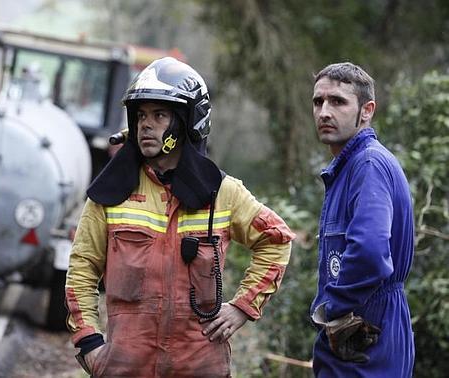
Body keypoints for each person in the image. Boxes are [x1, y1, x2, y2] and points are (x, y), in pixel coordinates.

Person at [65, 57, 295, 377]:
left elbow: (277, 239)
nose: (146, 124)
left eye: (159, 115)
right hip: (125, 366)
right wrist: (89, 342)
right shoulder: (111, 193)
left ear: (188, 122)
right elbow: (81, 268)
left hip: (200, 364)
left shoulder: (222, 193)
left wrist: (243, 307)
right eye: (141, 115)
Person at [309, 62, 415, 377]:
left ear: (366, 110)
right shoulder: (350, 166)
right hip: (363, 322)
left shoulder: (368, 164)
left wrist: (334, 311)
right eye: (318, 101)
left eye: (338, 101)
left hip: (367, 327)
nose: (325, 111)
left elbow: (369, 251)